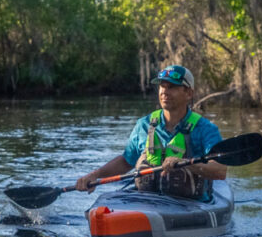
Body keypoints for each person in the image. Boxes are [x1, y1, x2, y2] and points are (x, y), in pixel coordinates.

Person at [74, 65, 226, 200]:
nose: (165, 92)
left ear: (188, 93)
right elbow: (126, 161)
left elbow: (220, 170)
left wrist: (186, 164)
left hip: (190, 204)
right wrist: (95, 175)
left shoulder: (206, 129)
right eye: (162, 86)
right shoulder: (144, 125)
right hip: (148, 201)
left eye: (172, 87)